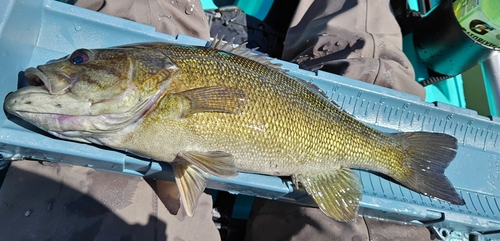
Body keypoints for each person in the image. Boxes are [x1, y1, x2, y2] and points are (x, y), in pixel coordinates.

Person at [0, 0, 431, 240]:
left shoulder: (163, 77)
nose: (73, 65)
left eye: (80, 59)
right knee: (364, 53)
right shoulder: (147, 88)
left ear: (155, 72)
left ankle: (399, 154)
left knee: (135, 11)